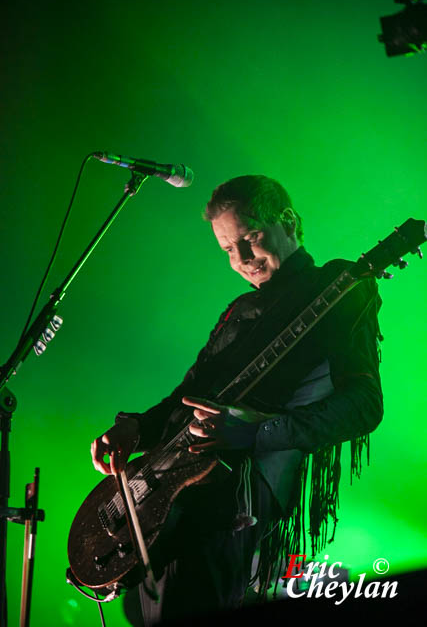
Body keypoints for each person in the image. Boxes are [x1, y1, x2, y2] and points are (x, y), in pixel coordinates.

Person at [91, 175, 383, 624]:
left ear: (287, 221)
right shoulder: (238, 311)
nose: (242, 259)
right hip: (169, 501)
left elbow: (364, 404)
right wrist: (137, 427)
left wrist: (256, 429)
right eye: (228, 249)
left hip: (235, 509)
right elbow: (184, 400)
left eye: (250, 239)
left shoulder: (337, 287)